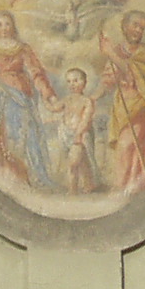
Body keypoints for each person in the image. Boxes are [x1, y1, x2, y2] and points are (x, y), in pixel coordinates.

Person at [98, 9, 145, 194]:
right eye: (135, 25)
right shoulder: (118, 51)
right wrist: (92, 97)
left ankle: (127, 188)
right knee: (126, 149)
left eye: (142, 28)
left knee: (128, 145)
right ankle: (127, 187)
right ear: (125, 26)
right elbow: (108, 80)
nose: (138, 31)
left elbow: (136, 73)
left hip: (143, 109)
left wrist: (111, 54)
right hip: (122, 109)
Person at [0, 12, 57, 189]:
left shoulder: (23, 49)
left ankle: (38, 176)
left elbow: (36, 72)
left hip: (22, 96)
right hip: (1, 97)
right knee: (7, 137)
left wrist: (48, 93)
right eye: (0, 24)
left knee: (29, 135)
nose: (4, 28)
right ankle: (13, 176)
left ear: (13, 26)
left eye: (7, 24)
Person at [44, 66, 102, 194]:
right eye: (69, 81)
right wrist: (46, 100)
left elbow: (85, 120)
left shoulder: (87, 101)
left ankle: (72, 190)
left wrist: (79, 134)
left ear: (84, 82)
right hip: (66, 134)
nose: (72, 84)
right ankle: (89, 185)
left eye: (76, 80)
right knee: (83, 162)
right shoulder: (67, 99)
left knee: (73, 162)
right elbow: (55, 108)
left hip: (81, 135)